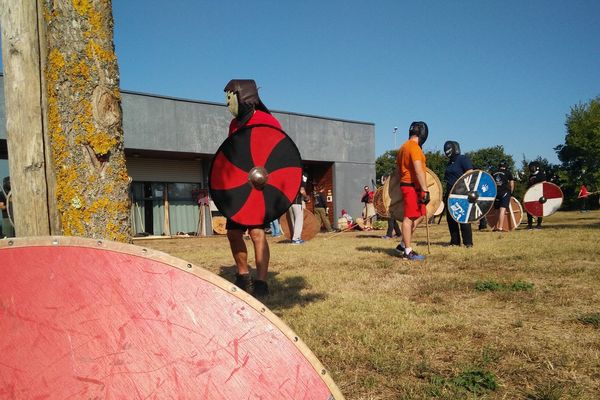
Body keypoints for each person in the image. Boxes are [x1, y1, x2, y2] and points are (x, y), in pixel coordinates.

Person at [223, 79, 278, 297]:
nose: (227, 103)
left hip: (258, 186)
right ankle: (243, 276)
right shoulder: (234, 125)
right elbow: (231, 154)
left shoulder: (265, 120)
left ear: (242, 96)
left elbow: (278, 152)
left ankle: (262, 281)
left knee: (256, 233)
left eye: (230, 97)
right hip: (238, 186)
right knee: (233, 233)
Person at [394, 121, 430, 260]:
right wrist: (425, 190)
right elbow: (418, 169)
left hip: (411, 186)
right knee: (408, 218)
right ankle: (408, 252)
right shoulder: (413, 147)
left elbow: (397, 171)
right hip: (411, 186)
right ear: (423, 133)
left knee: (421, 214)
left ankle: (403, 244)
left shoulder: (403, 147)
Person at [443, 140, 474, 246]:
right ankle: (455, 242)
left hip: (462, 193)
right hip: (450, 194)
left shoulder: (463, 159)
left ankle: (468, 243)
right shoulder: (449, 162)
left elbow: (470, 173)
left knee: (463, 217)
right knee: (451, 219)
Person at [492, 159, 514, 232]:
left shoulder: (494, 172)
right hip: (504, 192)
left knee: (496, 210)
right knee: (502, 210)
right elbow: (511, 184)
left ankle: (495, 227)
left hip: (495, 193)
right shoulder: (508, 172)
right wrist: (511, 192)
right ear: (506, 166)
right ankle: (500, 228)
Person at [526, 161, 546, 230]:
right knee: (528, 208)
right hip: (531, 194)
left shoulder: (541, 174)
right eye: (530, 167)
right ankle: (529, 224)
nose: (531, 168)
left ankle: (539, 224)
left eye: (532, 167)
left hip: (539, 194)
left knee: (539, 209)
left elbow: (544, 184)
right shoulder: (531, 176)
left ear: (536, 167)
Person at [290, 172, 308, 244]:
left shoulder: (290, 176)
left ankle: (294, 238)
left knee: (293, 221)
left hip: (289, 203)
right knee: (298, 221)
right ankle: (296, 239)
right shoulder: (303, 175)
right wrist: (306, 197)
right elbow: (302, 190)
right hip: (297, 202)